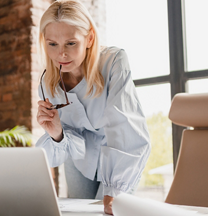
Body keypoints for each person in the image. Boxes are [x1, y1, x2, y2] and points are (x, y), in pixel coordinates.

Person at [35, 0, 151, 215]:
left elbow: (124, 126)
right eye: (53, 44)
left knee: (110, 210)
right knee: (76, 213)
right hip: (80, 159)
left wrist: (117, 187)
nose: (62, 54)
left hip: (119, 151)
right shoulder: (47, 83)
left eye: (71, 43)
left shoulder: (114, 62)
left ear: (89, 38)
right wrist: (57, 134)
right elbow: (66, 142)